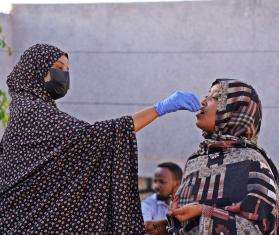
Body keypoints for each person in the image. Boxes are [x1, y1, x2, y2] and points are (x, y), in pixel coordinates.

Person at [0, 44, 201, 234]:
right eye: (59, 67)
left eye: (68, 69)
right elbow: (98, 136)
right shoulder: (33, 112)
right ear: (35, 70)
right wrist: (160, 108)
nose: (65, 75)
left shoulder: (27, 110)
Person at [168, 79, 279, 234]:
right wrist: (167, 226)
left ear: (234, 110)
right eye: (207, 96)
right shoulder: (194, 160)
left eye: (214, 97)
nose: (203, 102)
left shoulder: (253, 162)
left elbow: (262, 228)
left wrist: (204, 212)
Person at [141, 162, 182, 234]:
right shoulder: (147, 204)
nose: (156, 186)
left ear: (177, 184)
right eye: (155, 181)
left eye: (162, 182)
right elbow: (145, 228)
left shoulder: (187, 203)